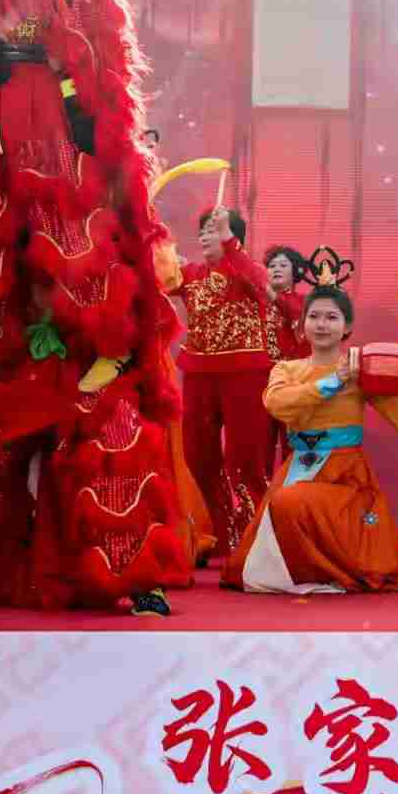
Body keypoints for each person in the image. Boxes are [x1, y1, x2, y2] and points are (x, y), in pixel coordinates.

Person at [224, 285, 398, 594]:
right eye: (314, 316)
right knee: (264, 538)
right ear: (302, 323)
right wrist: (332, 382)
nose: (321, 324)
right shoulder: (288, 369)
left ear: (347, 327)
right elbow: (277, 403)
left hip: (344, 476)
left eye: (331, 317)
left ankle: (324, 570)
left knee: (289, 502)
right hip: (298, 467)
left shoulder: (361, 372)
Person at [162, 207, 278, 554]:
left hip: (245, 373)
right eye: (203, 231)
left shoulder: (248, 270)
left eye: (213, 230)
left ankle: (253, 539)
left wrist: (228, 241)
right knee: (198, 457)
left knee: (245, 458)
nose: (205, 236)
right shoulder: (191, 275)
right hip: (199, 374)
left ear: (232, 236)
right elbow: (161, 278)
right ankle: (215, 535)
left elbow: (261, 285)